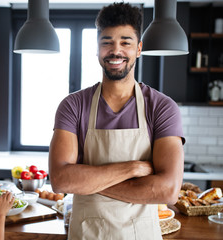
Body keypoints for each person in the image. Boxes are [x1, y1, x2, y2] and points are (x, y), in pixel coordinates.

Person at [48, 3, 185, 239]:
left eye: (126, 42)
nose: (116, 50)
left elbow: (168, 191)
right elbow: (61, 181)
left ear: (139, 48)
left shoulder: (162, 108)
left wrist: (89, 183)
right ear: (97, 48)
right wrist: (132, 168)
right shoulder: (73, 106)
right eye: (107, 42)